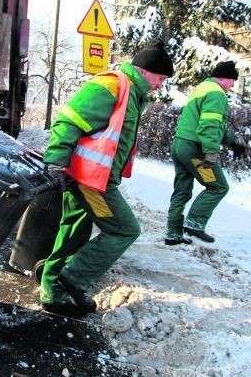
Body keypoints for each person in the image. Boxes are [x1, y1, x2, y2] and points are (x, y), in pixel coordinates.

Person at [41, 39, 175, 317]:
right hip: (88, 180)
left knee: (74, 231)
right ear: (144, 70)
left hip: (89, 178)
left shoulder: (132, 95)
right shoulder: (113, 85)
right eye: (160, 77)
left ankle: (53, 292)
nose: (161, 83)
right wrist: (55, 160)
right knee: (124, 229)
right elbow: (69, 119)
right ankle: (73, 278)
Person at [165, 61, 246, 245]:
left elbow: (213, 125)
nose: (233, 85)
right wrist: (211, 153)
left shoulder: (202, 88)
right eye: (232, 80)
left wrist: (233, 143)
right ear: (223, 78)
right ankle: (195, 223)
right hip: (195, 149)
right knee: (218, 187)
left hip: (180, 145)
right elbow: (209, 126)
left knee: (181, 190)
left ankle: (173, 233)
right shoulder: (217, 94)